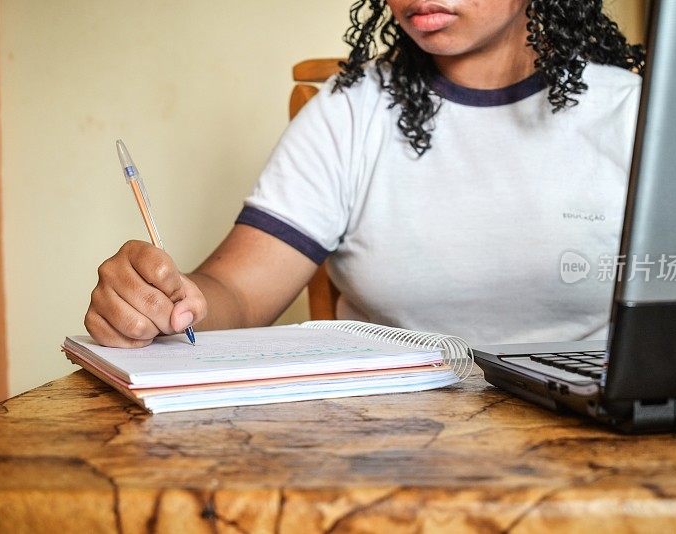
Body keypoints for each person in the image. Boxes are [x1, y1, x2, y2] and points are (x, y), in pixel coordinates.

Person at [86, 0, 645, 348]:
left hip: (593, 438)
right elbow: (235, 290)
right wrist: (167, 301)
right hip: (389, 438)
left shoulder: (637, 113)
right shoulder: (350, 111)